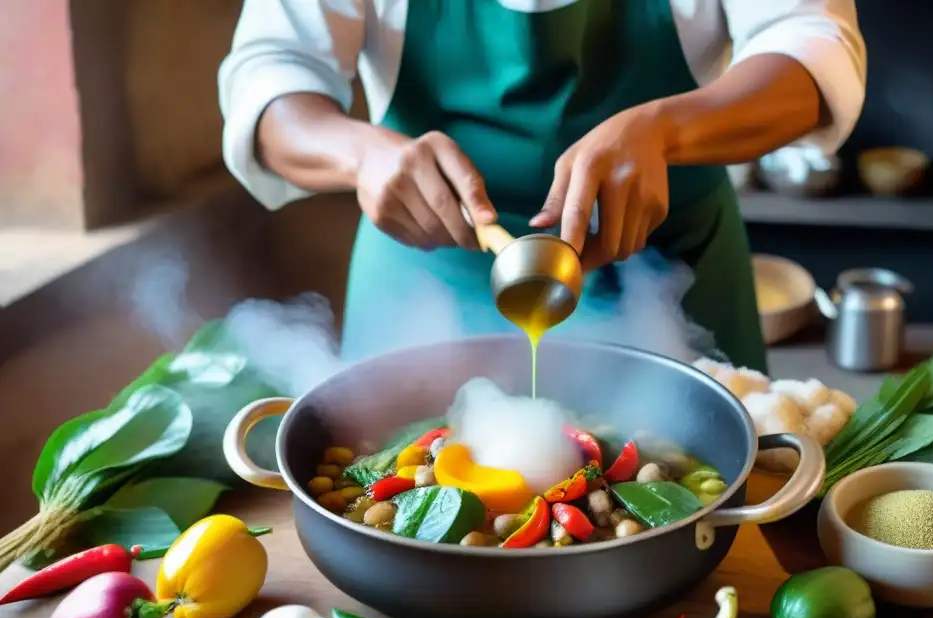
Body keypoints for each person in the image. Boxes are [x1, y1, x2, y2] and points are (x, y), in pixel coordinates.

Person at [219, 0, 866, 373]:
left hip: (670, 276)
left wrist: (667, 129)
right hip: (428, 289)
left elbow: (813, 46)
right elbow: (271, 75)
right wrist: (361, 154)